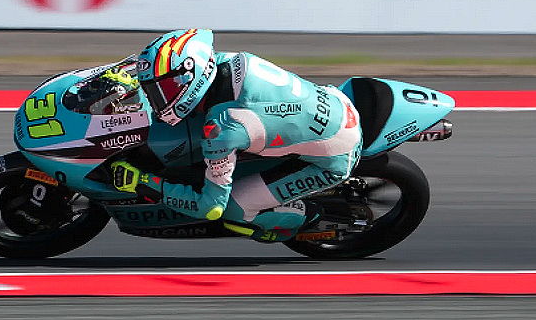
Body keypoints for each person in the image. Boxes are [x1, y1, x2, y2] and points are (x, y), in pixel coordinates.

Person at [110, 29, 363, 242]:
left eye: (164, 89)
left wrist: (144, 183)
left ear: (191, 77)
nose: (157, 100)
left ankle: (306, 217)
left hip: (337, 151)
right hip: (335, 102)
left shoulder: (223, 129)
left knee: (233, 211)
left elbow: (210, 207)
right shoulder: (224, 61)